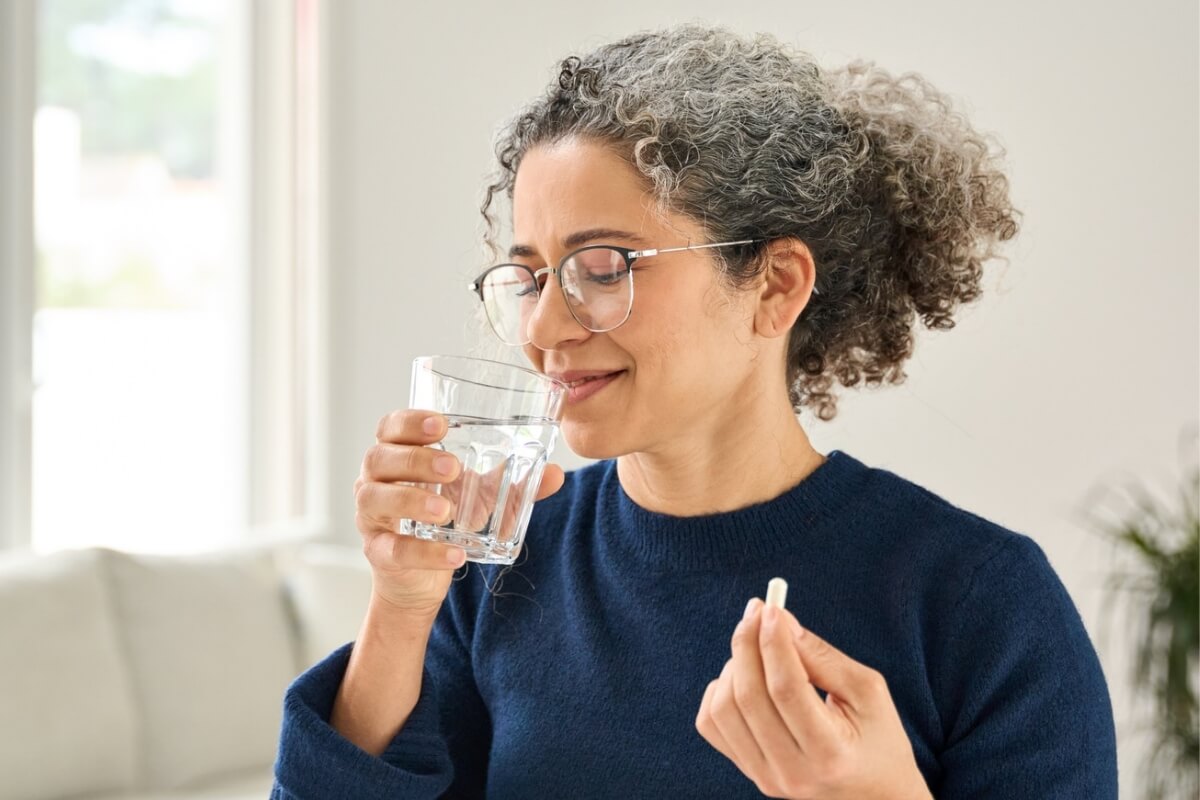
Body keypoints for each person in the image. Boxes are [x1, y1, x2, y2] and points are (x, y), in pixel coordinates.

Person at [272, 23, 1118, 799]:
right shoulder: (504, 560)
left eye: (604, 267)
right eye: (530, 275)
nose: (542, 327)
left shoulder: (981, 602)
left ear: (775, 285)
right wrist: (402, 604)